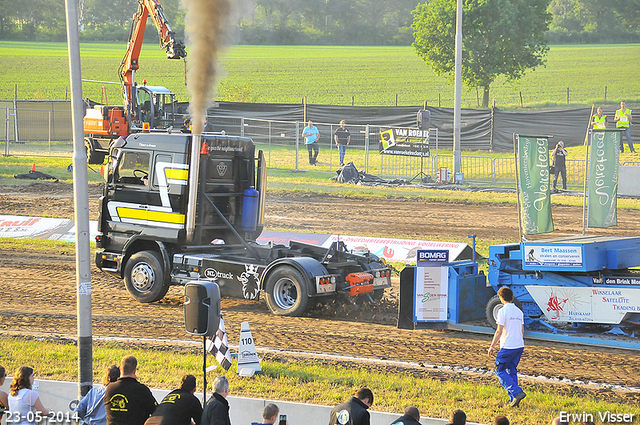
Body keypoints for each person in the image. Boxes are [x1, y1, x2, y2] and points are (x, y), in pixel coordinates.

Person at [488, 286, 526, 408]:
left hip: (507, 347)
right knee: (511, 370)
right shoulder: (519, 312)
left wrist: (492, 346)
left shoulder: (502, 311)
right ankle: (513, 401)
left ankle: (517, 392)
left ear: (501, 298)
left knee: (499, 370)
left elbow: (499, 331)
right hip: (519, 346)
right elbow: (522, 330)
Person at [105, 355, 157, 425]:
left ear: (120, 369)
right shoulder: (141, 390)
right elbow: (156, 411)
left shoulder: (110, 388)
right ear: (135, 371)